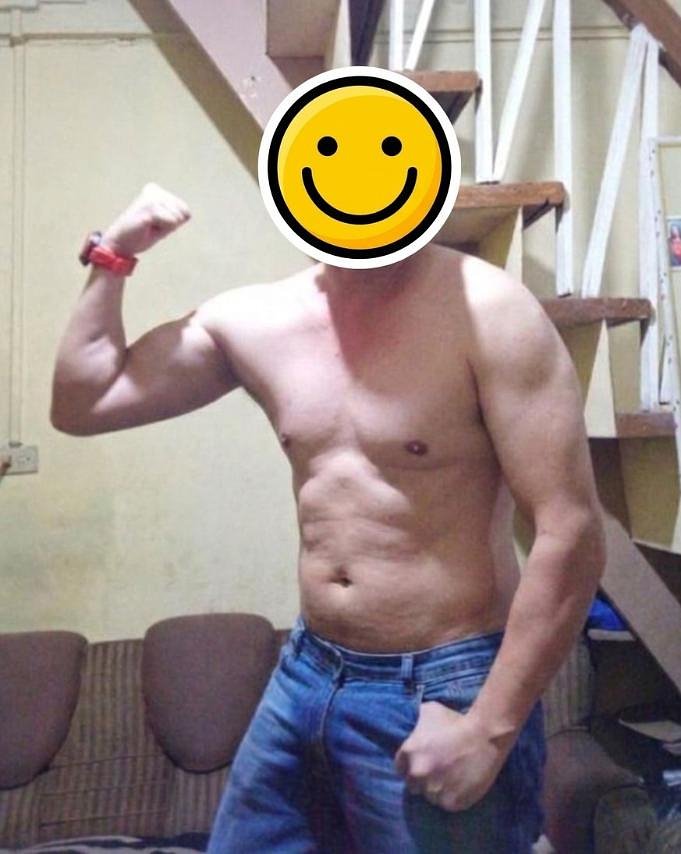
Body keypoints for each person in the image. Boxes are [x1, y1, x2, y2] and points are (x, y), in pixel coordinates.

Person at [51, 183, 607, 853]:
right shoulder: (258, 319)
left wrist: (489, 729)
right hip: (306, 672)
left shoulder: (489, 311)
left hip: (442, 688)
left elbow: (570, 532)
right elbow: (85, 402)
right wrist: (112, 255)